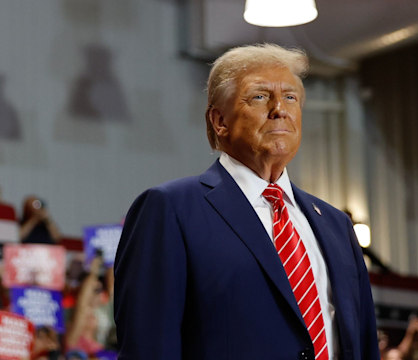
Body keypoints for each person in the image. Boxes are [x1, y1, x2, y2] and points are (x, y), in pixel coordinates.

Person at [114, 44, 379, 359]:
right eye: (260, 96)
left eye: (290, 97)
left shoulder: (336, 225)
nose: (279, 108)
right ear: (219, 121)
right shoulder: (171, 210)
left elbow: (363, 344)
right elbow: (149, 348)